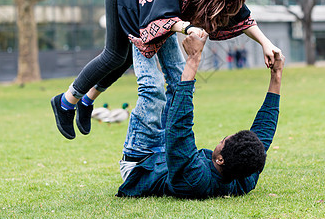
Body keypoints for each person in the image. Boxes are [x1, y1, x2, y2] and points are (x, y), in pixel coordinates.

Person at [51, 0, 280, 140]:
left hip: (160, 6)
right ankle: (65, 102)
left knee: (138, 62)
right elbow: (161, 13)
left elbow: (240, 15)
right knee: (115, 55)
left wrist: (265, 43)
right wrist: (187, 28)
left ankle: (87, 101)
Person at [117, 33, 284, 198]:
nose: (221, 140)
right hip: (167, 152)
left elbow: (178, 128)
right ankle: (161, 24)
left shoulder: (194, 179)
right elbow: (263, 132)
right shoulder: (244, 175)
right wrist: (276, 76)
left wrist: (194, 57)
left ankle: (137, 29)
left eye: (222, 141)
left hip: (141, 161)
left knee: (153, 90)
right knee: (179, 83)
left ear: (220, 160)